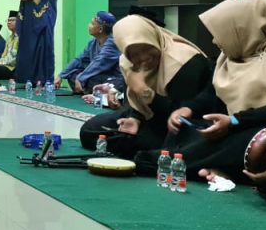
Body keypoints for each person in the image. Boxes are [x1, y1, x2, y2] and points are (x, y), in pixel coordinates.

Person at [135, 0, 266, 200]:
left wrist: (234, 121)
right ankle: (211, 168)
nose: (214, 40)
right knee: (186, 127)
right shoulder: (227, 59)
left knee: (250, 141)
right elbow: (211, 94)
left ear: (246, 28)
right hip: (225, 128)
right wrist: (188, 109)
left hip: (251, 129)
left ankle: (162, 162)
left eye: (223, 32)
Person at [79, 14, 212, 157]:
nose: (143, 57)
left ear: (152, 38)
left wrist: (145, 92)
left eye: (146, 48)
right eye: (134, 54)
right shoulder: (128, 62)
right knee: (90, 130)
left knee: (149, 144)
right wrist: (134, 119)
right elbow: (134, 104)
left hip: (176, 124)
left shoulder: (184, 63)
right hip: (148, 116)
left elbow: (180, 114)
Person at [56, 11, 122, 94]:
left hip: (113, 78)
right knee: (72, 74)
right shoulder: (93, 42)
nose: (89, 25)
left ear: (100, 29)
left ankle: (89, 90)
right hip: (99, 75)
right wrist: (61, 75)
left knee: (92, 80)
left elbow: (98, 64)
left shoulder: (112, 44)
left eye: (92, 24)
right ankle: (88, 90)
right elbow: (79, 59)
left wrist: (81, 78)